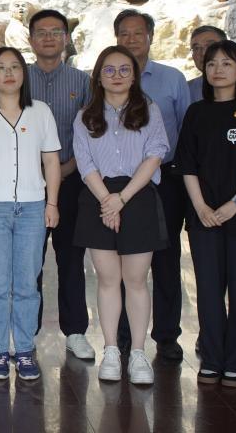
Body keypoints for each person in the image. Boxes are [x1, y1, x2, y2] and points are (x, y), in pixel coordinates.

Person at [177, 40, 236, 388]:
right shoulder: (196, 113)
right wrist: (201, 206)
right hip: (203, 216)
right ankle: (212, 358)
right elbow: (186, 165)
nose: (217, 69)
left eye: (226, 63)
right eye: (212, 63)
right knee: (208, 290)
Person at [0, 47, 61, 381]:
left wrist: (52, 204)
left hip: (32, 208)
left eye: (15, 67)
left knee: (28, 284)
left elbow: (51, 161)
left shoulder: (40, 111)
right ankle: (0, 351)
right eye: (1, 67)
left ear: (24, 73)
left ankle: (25, 350)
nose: (8, 73)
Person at [73, 45, 169, 385]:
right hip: (98, 197)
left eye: (124, 69)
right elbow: (85, 162)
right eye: (109, 70)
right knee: (107, 279)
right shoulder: (85, 116)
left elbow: (155, 154)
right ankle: (111, 350)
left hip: (137, 196)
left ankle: (138, 353)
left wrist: (121, 199)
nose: (117, 76)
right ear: (98, 77)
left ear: (134, 75)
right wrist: (107, 200)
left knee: (136, 280)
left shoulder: (150, 111)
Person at [113, 8, 190, 361]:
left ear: (150, 37)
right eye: (124, 34)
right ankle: (124, 334)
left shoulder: (172, 79)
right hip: (120, 183)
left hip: (165, 179)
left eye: (138, 33)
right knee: (122, 258)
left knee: (166, 257)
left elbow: (187, 130)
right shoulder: (105, 77)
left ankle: (167, 335)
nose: (131, 40)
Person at [25, 10, 95, 360]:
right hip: (26, 184)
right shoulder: (19, 77)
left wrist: (65, 169)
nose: (49, 37)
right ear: (31, 40)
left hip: (71, 180)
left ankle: (76, 331)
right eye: (42, 32)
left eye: (56, 31)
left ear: (66, 38)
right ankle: (26, 331)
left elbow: (91, 133)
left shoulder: (82, 82)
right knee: (28, 260)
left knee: (71, 258)